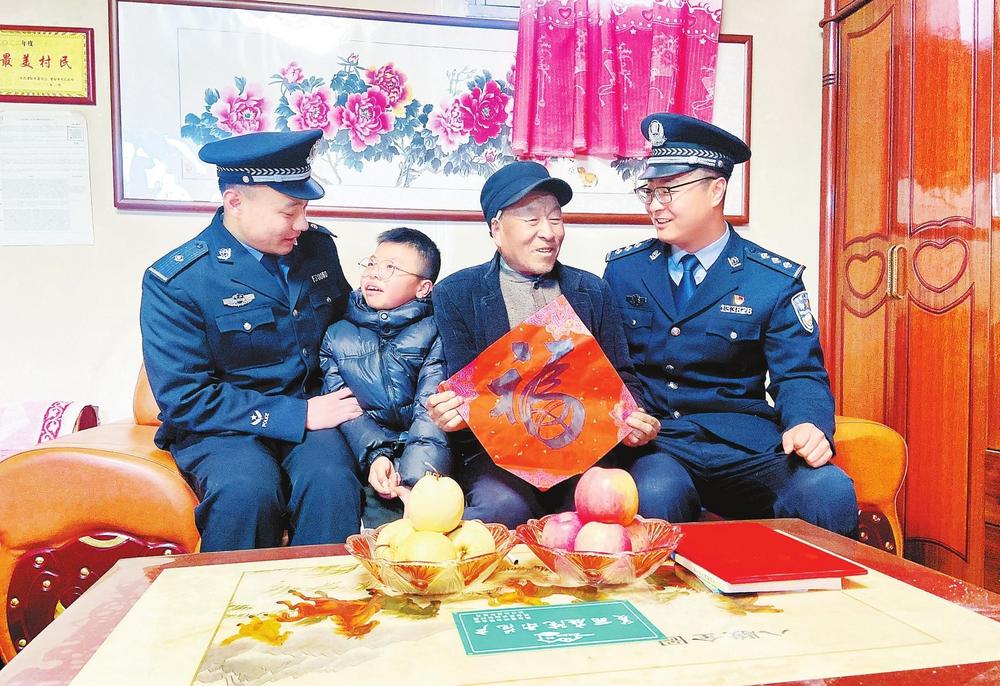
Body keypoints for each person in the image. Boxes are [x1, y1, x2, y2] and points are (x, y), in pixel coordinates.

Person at [603, 112, 858, 536]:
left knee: (827, 491)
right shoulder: (625, 271)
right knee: (656, 493)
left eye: (669, 190)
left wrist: (808, 424)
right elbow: (608, 367)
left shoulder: (770, 280)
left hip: (744, 443)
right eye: (649, 191)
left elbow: (799, 374)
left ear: (716, 189)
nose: (655, 204)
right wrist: (624, 416)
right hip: (661, 443)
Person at [140, 129, 365, 552]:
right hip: (221, 427)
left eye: (305, 209)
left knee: (332, 480)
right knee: (246, 490)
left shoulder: (316, 250)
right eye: (289, 211)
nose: (301, 224)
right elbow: (184, 398)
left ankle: (324, 594)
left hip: (311, 408)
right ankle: (232, 596)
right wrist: (296, 415)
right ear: (235, 202)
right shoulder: (180, 280)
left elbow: (348, 328)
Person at [425, 161, 661, 528]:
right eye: (532, 220)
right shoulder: (457, 293)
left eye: (555, 219)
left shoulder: (591, 290)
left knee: (593, 513)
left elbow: (622, 377)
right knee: (503, 509)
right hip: (500, 457)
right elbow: (465, 387)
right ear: (496, 229)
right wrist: (452, 412)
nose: (548, 233)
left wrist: (633, 419)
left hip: (584, 449)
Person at [319, 227, 450, 512]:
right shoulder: (336, 335)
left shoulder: (437, 331)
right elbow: (345, 408)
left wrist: (416, 481)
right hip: (367, 452)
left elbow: (430, 411)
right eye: (372, 263)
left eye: (391, 268)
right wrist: (376, 456)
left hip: (428, 458)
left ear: (423, 288)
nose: (374, 274)